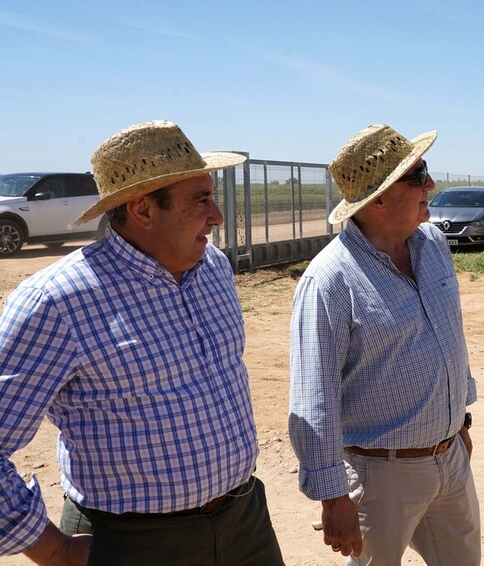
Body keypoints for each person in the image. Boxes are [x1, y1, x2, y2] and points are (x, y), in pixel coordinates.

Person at [0, 121, 284, 566]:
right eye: (201, 200)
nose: (217, 216)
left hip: (244, 520)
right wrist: (54, 551)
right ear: (143, 210)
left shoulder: (213, 268)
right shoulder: (56, 301)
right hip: (132, 542)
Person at [289, 124, 480, 565]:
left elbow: (451, 333)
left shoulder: (432, 244)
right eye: (419, 176)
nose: (431, 185)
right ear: (379, 199)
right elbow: (314, 397)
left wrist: (461, 421)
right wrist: (333, 497)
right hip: (381, 477)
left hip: (450, 460)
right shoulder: (330, 281)